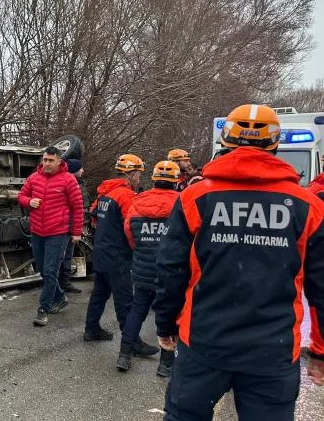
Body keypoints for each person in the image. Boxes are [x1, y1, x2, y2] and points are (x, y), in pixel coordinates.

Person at [154, 104, 324, 421]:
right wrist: (321, 350)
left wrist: (165, 324)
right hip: (272, 350)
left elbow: (170, 270)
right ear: (274, 144)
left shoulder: (193, 198)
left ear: (227, 141)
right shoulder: (309, 206)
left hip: (204, 342)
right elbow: (321, 286)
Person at [83, 154, 156, 355]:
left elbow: (93, 215)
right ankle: (132, 343)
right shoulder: (125, 195)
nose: (139, 179)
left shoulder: (105, 192)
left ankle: (92, 329)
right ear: (131, 174)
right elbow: (131, 224)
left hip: (101, 251)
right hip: (118, 255)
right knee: (125, 300)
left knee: (99, 293)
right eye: (138, 174)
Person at [116, 161, 180, 375]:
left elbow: (129, 235)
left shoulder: (137, 202)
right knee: (170, 315)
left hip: (143, 266)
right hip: (171, 271)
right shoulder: (182, 203)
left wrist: (143, 250)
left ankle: (124, 355)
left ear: (153, 179)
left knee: (137, 310)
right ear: (176, 181)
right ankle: (166, 363)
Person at [18, 146, 84, 326]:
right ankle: (60, 296)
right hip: (38, 231)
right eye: (45, 160)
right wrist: (29, 201)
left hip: (58, 232)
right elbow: (22, 196)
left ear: (59, 161)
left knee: (50, 270)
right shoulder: (34, 178)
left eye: (50, 160)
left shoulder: (68, 180)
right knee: (42, 269)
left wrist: (76, 232)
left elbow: (77, 207)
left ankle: (43, 309)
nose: (46, 163)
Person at [57, 158, 88, 294]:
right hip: (65, 226)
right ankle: (61, 284)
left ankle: (64, 283)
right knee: (62, 256)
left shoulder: (75, 182)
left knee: (66, 255)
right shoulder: (70, 183)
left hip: (68, 225)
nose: (82, 170)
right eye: (80, 168)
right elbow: (75, 207)